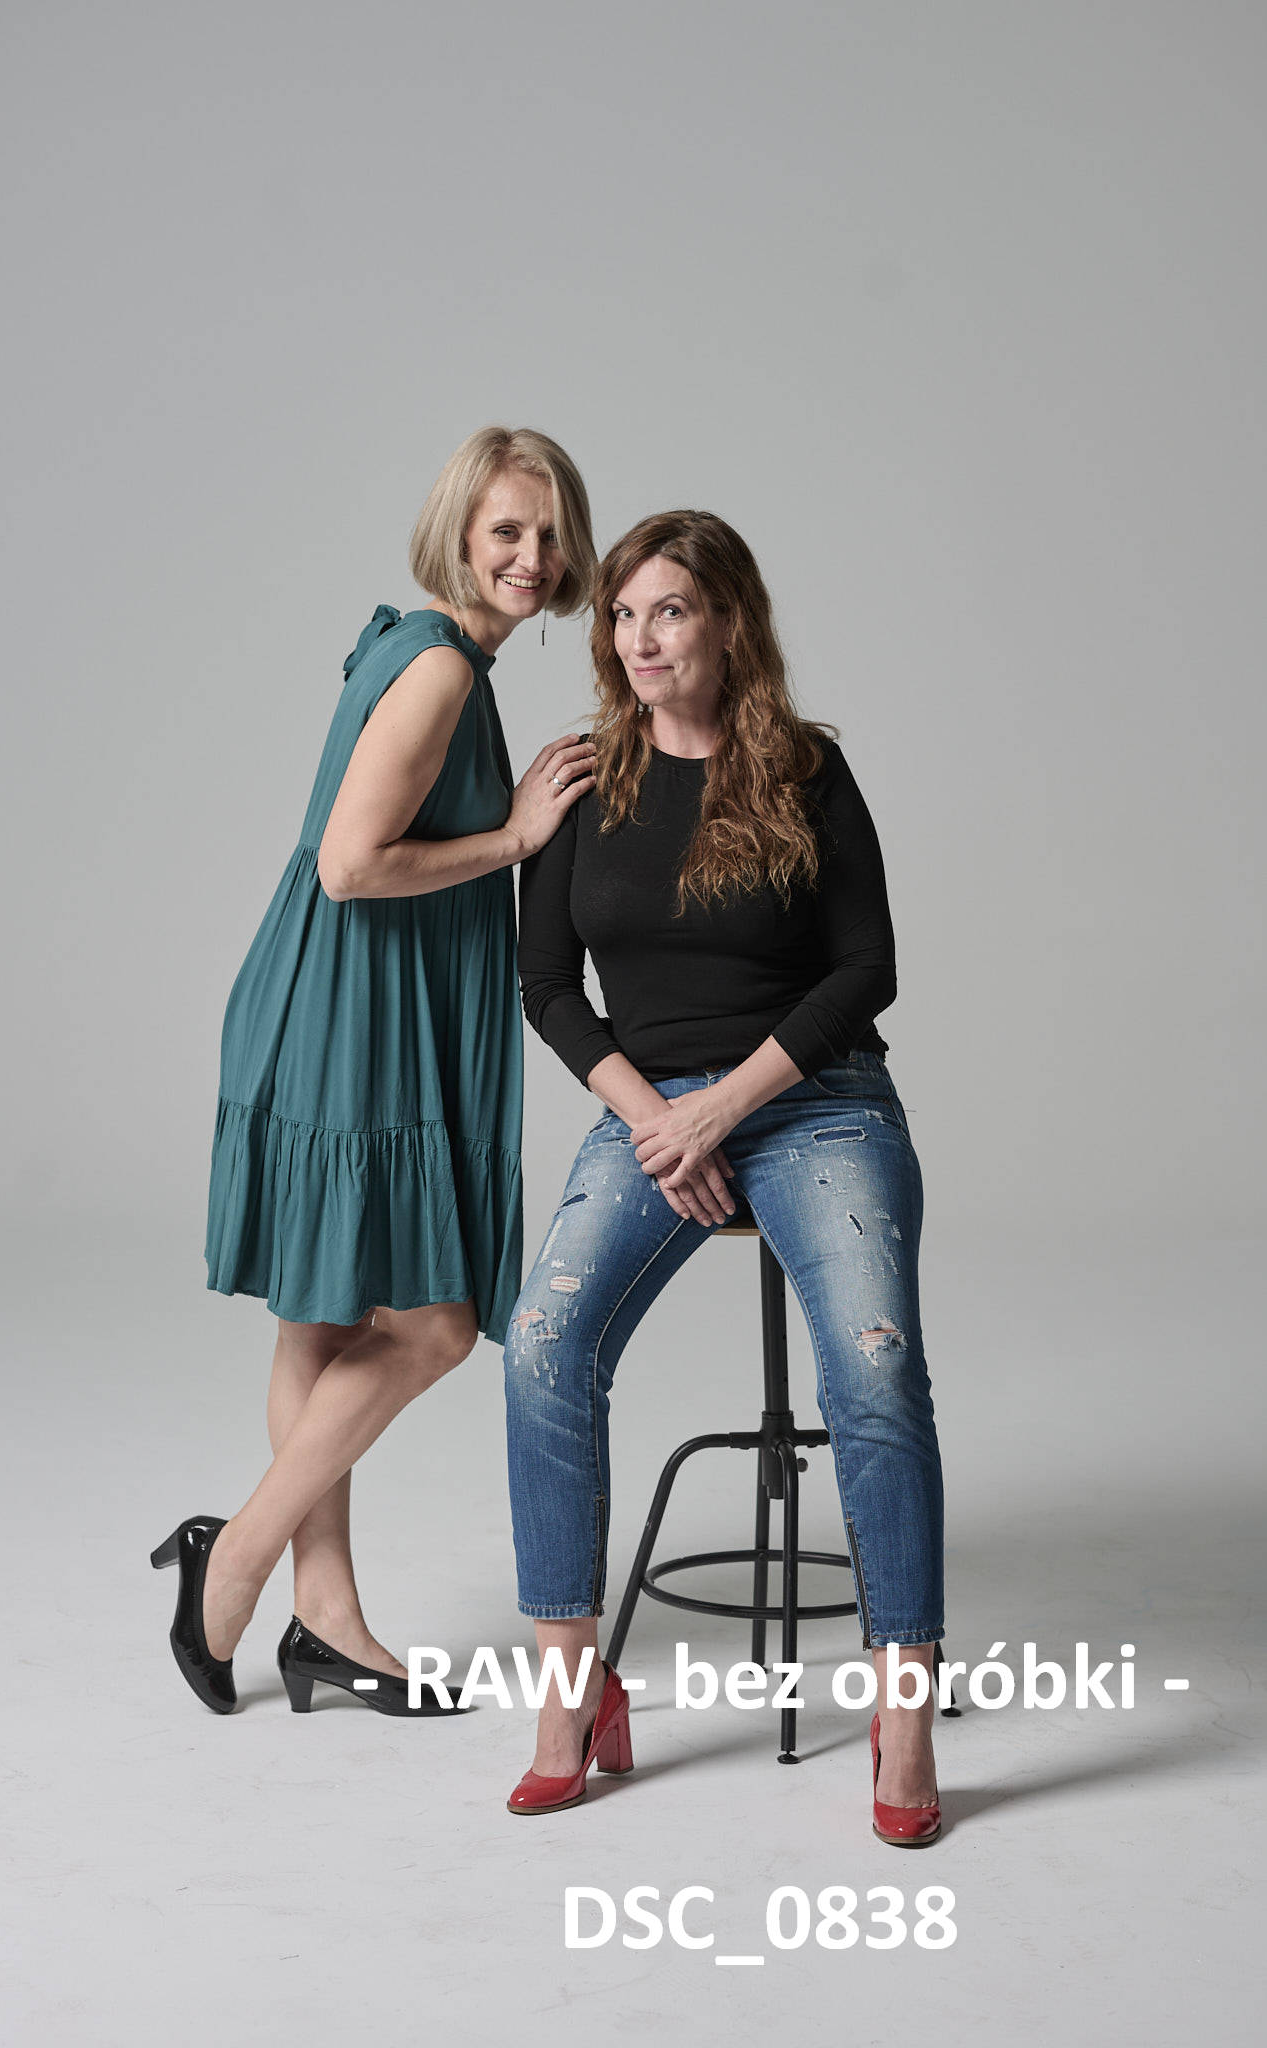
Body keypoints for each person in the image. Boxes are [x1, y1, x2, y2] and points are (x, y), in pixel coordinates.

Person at [502, 510, 945, 1843]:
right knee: (541, 1344)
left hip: (814, 1104)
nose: (639, 639)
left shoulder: (806, 770)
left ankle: (904, 1714)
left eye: (670, 611)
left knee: (873, 1365)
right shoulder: (585, 781)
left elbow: (866, 970)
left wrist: (726, 1111)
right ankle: (573, 1699)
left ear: (728, 623)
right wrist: (661, 1124)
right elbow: (545, 984)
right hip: (652, 1112)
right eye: (622, 614)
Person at [152, 426, 598, 1719]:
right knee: (434, 1327)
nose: (531, 555)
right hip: (353, 1011)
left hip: (334, 999)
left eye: (548, 532)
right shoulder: (442, 667)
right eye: (505, 530)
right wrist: (515, 837)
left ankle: (326, 1619)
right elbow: (352, 865)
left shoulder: (432, 648)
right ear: (459, 533)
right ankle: (234, 1561)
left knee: (321, 1317)